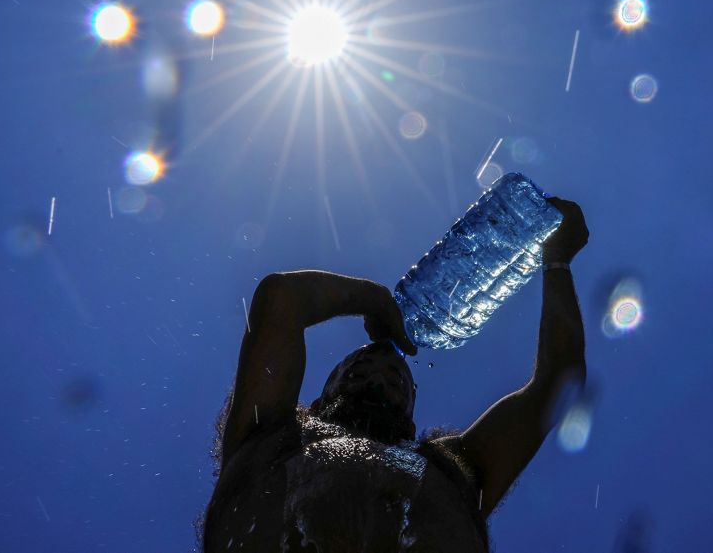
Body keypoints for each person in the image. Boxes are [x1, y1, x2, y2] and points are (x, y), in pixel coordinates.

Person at [199, 198, 589, 552]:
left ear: (411, 418)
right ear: (317, 403)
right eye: (359, 371)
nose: (380, 376)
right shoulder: (267, 433)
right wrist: (374, 300)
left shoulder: (455, 468)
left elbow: (557, 381)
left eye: (395, 379)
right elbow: (280, 298)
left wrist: (557, 261)